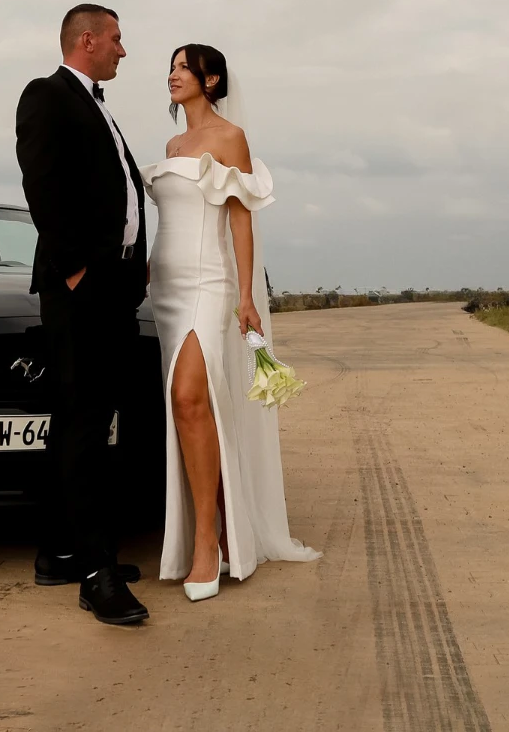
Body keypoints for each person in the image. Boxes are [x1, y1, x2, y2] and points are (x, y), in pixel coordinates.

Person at [141, 44, 320, 603]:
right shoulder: (172, 146)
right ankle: (214, 531)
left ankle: (207, 542)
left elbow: (241, 221)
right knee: (188, 409)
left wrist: (246, 295)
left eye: (183, 67)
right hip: (165, 289)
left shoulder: (230, 138)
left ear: (211, 80)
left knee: (191, 398)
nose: (172, 75)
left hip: (209, 284)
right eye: (171, 67)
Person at [14, 4, 151, 626]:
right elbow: (42, 187)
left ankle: (61, 552)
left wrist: (133, 268)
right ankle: (98, 575)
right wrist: (76, 272)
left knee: (81, 422)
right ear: (87, 40)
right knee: (88, 428)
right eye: (117, 39)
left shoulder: (98, 106)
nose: (123, 50)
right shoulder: (47, 95)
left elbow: (118, 195)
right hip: (82, 291)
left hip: (111, 288)